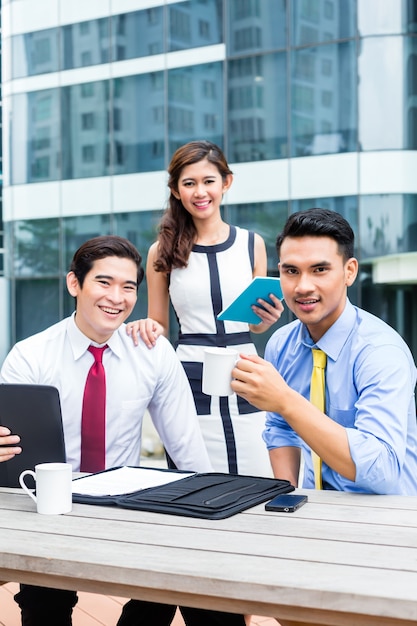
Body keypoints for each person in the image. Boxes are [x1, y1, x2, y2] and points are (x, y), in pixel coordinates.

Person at [0, 235, 246, 626]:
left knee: (197, 583)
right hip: (50, 508)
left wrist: (211, 519)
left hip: (126, 506)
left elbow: (186, 446)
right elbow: (13, 455)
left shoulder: (151, 350)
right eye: (104, 282)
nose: (117, 297)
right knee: (43, 600)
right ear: (74, 284)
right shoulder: (30, 356)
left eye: (128, 287)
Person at [231, 208, 417, 498]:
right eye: (291, 271)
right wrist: (288, 496)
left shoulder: (381, 352)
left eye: (320, 270)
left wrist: (285, 400)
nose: (303, 286)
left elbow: (382, 471)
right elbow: (280, 428)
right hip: (315, 508)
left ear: (349, 271)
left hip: (386, 516)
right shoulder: (281, 343)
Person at [127, 140, 283, 477]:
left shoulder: (250, 243)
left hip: (246, 374)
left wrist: (264, 320)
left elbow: (253, 324)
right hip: (189, 379)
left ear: (226, 183)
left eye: (209, 181)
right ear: (176, 189)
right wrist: (147, 327)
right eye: (189, 183)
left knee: (259, 476)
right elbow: (159, 322)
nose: (201, 192)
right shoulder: (161, 251)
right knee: (196, 484)